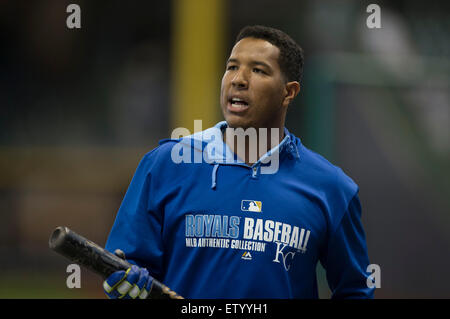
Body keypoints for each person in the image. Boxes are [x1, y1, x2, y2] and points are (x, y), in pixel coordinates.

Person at [103, 25, 375, 299]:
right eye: (232, 67)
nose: (239, 79)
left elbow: (355, 290)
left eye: (258, 70)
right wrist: (125, 286)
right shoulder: (165, 165)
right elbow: (125, 268)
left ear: (289, 92)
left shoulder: (332, 188)